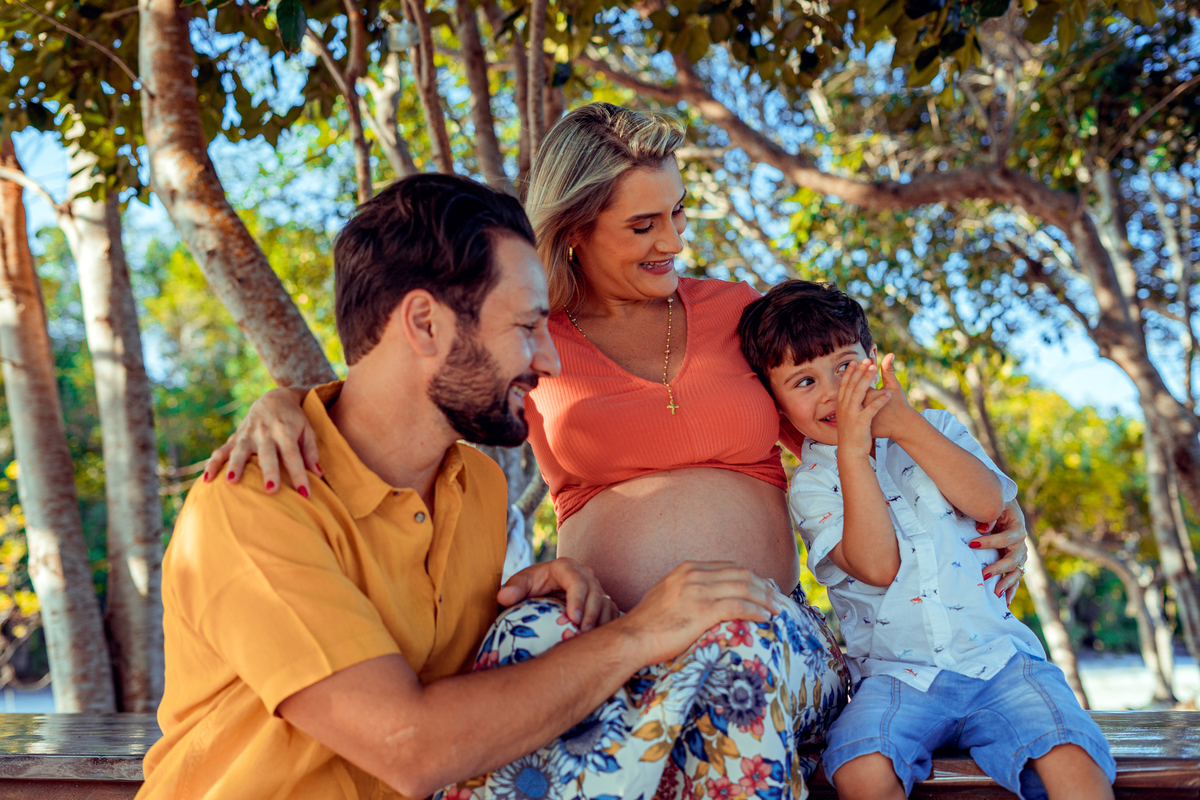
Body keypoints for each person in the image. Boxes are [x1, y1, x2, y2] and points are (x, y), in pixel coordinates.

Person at [206, 103, 1030, 800]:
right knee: (516, 647)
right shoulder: (528, 339)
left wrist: (997, 507)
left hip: (756, 619)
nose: (672, 240)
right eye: (643, 224)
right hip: (598, 625)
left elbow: (852, 413)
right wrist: (281, 403)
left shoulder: (739, 315)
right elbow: (405, 390)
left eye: (679, 213)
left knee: (728, 649)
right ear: (574, 229)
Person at [138, 173, 783, 800]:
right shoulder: (255, 505)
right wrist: (640, 632)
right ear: (424, 324)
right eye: (526, 327)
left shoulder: (475, 487)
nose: (551, 359)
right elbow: (410, 747)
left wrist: (530, 599)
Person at [737, 280, 1116, 800]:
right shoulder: (812, 483)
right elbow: (877, 566)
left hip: (1001, 663)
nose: (833, 392)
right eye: (804, 381)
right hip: (896, 678)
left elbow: (988, 503)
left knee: (1072, 756)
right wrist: (853, 452)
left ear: (874, 361)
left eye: (846, 366)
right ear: (777, 405)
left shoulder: (934, 428)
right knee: (860, 771)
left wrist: (908, 425)